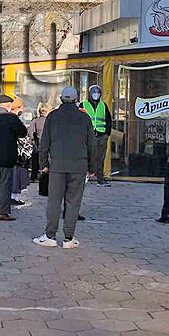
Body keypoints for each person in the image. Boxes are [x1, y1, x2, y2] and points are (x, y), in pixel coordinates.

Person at [34, 87, 96, 249]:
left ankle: (50, 236)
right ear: (76, 100)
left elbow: (44, 143)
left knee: (54, 201)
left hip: (57, 166)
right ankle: (69, 238)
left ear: (61, 99)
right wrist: (92, 166)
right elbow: (92, 144)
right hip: (79, 166)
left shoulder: (52, 116)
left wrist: (43, 164)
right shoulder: (84, 117)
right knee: (73, 202)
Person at [81, 84, 112, 186]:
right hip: (87, 136)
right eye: (94, 92)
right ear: (89, 93)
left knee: (100, 159)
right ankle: (84, 177)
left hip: (101, 135)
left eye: (98, 92)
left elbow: (108, 120)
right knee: (85, 157)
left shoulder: (103, 105)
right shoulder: (83, 105)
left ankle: (100, 179)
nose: (96, 94)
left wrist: (107, 134)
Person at [10, 97, 31, 205]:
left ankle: (13, 196)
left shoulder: (9, 118)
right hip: (17, 154)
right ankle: (13, 197)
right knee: (16, 175)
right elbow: (23, 135)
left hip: (12, 153)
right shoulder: (15, 119)